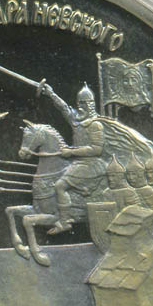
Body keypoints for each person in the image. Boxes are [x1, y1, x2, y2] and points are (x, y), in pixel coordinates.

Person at [40, 82, 106, 234]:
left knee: (59, 186)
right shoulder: (77, 120)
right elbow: (64, 108)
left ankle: (65, 221)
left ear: (91, 104)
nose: (81, 106)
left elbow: (97, 149)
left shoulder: (95, 125)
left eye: (85, 103)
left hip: (92, 164)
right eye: (79, 103)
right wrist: (51, 94)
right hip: (78, 163)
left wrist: (71, 151)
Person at [125, 153, 153, 237]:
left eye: (133, 174)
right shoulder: (128, 190)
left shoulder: (147, 190)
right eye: (128, 174)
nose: (130, 178)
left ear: (140, 174)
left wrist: (149, 233)